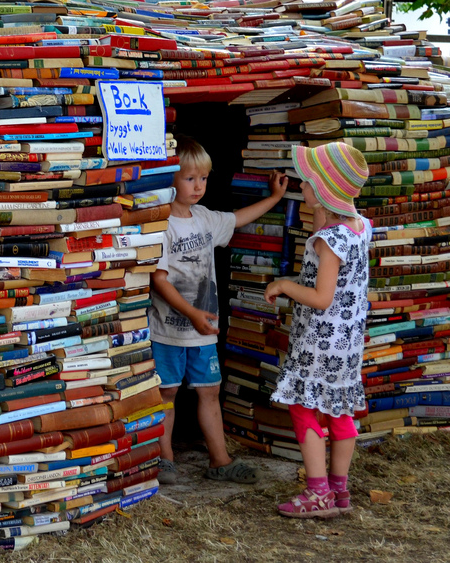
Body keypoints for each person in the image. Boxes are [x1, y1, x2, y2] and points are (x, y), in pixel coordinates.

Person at [150, 136, 287, 485]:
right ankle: (164, 458)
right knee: (166, 393)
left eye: (204, 178)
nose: (198, 186)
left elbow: (237, 218)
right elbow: (159, 281)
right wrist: (192, 315)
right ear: (171, 179)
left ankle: (220, 460)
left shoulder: (205, 218)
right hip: (167, 329)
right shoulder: (162, 223)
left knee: (210, 390)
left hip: (203, 330)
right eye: (189, 178)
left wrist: (273, 198)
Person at [264, 142, 370, 518]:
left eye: (308, 182)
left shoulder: (330, 240)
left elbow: (322, 297)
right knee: (339, 409)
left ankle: (317, 492)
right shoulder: (360, 228)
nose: (300, 187)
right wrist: (320, 209)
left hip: (319, 342)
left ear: (324, 189)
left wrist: (283, 285)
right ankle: (340, 492)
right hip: (348, 343)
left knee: (304, 407)